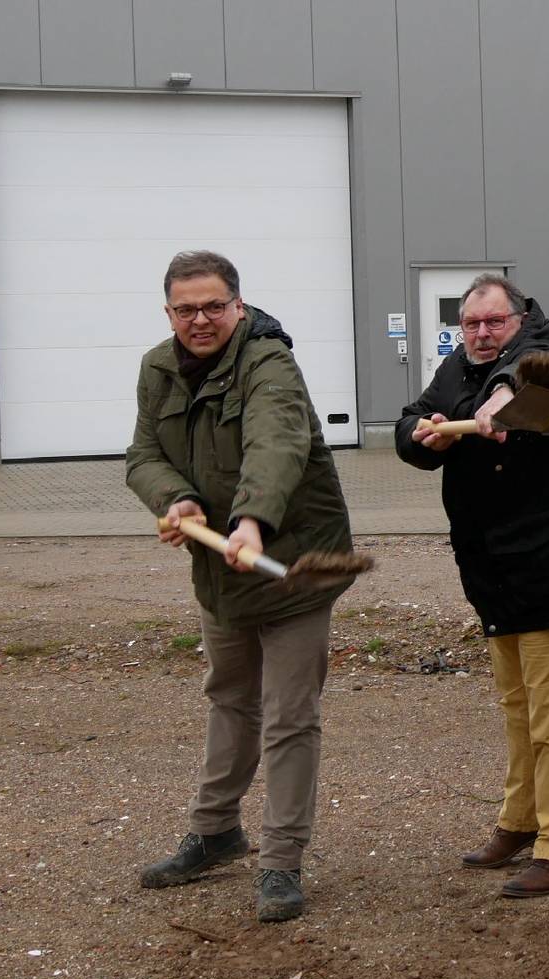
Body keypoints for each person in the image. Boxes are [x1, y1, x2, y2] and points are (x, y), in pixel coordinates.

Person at [127, 250, 357, 923]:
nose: (200, 319)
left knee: (289, 716)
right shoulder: (157, 368)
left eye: (213, 306)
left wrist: (253, 518)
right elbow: (142, 455)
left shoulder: (268, 363)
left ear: (237, 305)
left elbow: (277, 443)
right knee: (229, 698)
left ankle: (281, 862)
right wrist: (177, 501)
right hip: (219, 570)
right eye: (185, 308)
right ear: (168, 311)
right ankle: (215, 830)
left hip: (293, 567)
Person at [396, 274, 549, 898]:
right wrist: (421, 432)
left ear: (519, 319)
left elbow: (520, 378)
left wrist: (495, 400)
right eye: (472, 324)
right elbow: (414, 421)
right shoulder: (456, 368)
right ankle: (520, 822)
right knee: (518, 709)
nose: (483, 334)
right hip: (494, 571)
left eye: (495, 322)